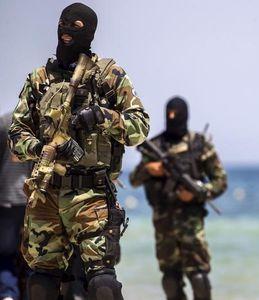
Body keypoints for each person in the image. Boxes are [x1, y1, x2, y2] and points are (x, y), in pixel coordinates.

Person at [8, 3, 150, 300]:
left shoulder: (109, 75)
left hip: (91, 194)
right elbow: (16, 134)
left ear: (90, 34)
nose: (66, 32)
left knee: (102, 282)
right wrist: (39, 147)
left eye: (76, 27)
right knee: (41, 279)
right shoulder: (39, 79)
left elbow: (139, 128)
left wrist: (101, 116)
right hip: (46, 192)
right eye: (62, 24)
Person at [130, 96, 227, 300]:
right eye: (169, 114)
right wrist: (149, 169)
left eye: (176, 114)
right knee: (170, 282)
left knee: (199, 279)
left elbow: (220, 181)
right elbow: (134, 180)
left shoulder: (199, 145)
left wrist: (198, 191)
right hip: (163, 224)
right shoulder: (154, 146)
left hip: (191, 223)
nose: (172, 118)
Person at [0, 112, 32, 300]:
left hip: (6, 200)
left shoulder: (4, 123)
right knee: (33, 254)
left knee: (5, 252)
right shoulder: (39, 123)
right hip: (32, 201)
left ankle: (7, 293)